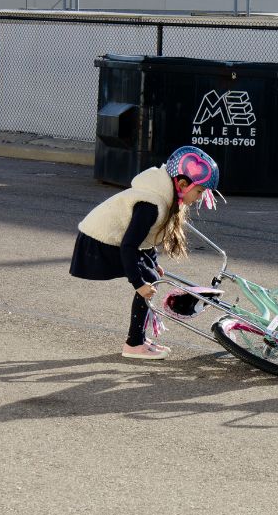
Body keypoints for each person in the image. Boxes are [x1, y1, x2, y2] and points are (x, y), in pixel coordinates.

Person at [70, 146, 221, 360]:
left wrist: (153, 262)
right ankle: (133, 344)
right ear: (183, 184)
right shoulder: (150, 204)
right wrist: (138, 284)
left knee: (152, 274)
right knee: (147, 281)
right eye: (199, 192)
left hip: (112, 240)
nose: (199, 198)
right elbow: (129, 245)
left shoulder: (163, 197)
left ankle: (138, 338)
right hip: (98, 241)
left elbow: (146, 239)